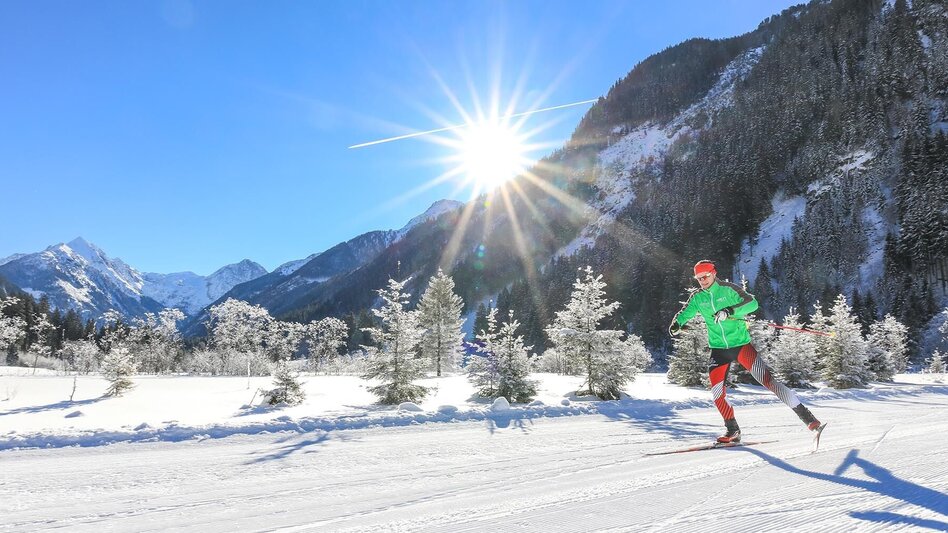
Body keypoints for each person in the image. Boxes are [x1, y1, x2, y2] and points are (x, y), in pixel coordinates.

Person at [668, 260, 824, 443]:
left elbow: (752, 303)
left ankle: (810, 420)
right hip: (719, 350)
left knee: (769, 382)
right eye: (699, 278)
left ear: (714, 273)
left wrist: (729, 310)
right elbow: (685, 312)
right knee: (717, 393)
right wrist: (676, 324)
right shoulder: (698, 297)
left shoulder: (728, 290)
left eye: (705, 276)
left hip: (741, 346)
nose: (702, 281)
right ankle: (733, 431)